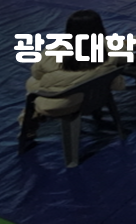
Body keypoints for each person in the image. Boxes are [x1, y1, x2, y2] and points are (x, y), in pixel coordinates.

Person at [18, 9, 122, 145]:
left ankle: (29, 123)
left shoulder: (53, 52)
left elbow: (37, 73)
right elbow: (129, 47)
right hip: (96, 98)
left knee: (32, 84)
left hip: (57, 105)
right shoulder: (111, 49)